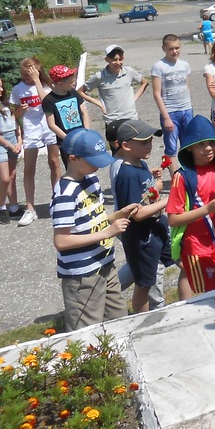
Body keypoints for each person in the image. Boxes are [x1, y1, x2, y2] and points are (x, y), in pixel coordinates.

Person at [51, 127, 139, 331]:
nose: (97, 166)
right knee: (87, 331)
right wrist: (108, 233)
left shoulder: (91, 181)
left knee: (118, 321)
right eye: (93, 161)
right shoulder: (65, 193)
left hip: (105, 263)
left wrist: (118, 215)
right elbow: (62, 241)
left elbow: (93, 222)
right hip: (82, 275)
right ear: (73, 158)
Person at [166, 115, 215, 300]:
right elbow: (173, 219)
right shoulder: (182, 177)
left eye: (212, 143)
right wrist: (207, 209)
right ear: (189, 147)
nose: (208, 148)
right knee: (198, 290)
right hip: (195, 246)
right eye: (201, 144)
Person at [112, 120, 170, 313]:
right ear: (126, 146)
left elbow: (147, 195)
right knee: (144, 284)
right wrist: (169, 201)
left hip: (154, 230)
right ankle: (140, 320)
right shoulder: (127, 174)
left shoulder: (141, 164)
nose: (149, 146)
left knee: (178, 260)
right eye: (143, 142)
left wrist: (157, 183)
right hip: (139, 237)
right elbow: (137, 214)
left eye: (150, 141)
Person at [12, 57, 60, 227]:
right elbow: (14, 116)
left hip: (49, 126)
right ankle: (30, 209)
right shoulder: (18, 90)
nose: (27, 78)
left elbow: (47, 102)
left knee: (54, 162)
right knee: (29, 168)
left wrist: (37, 81)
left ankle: (57, 201)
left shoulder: (48, 86)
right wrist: (19, 110)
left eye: (30, 74)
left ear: (38, 72)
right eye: (24, 75)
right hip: (31, 129)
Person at [78, 44, 149, 147]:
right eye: (114, 60)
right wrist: (98, 103)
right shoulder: (100, 76)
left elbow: (144, 82)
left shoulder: (129, 71)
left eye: (120, 59)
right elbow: (80, 91)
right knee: (117, 151)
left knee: (134, 149)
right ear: (107, 59)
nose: (118, 63)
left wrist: (134, 98)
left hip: (131, 117)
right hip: (112, 120)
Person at [151, 34, 194, 174]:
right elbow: (157, 93)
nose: (174, 51)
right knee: (171, 147)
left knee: (188, 144)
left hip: (186, 109)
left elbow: (187, 87)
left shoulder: (185, 65)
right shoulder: (159, 67)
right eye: (171, 49)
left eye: (177, 48)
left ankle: (188, 173)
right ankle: (175, 176)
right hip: (170, 111)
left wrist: (189, 107)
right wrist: (166, 117)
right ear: (164, 48)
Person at [43, 65, 90, 168]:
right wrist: (68, 138)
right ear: (60, 83)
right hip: (67, 141)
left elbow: (83, 112)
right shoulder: (49, 100)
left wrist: (87, 131)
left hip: (82, 136)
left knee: (87, 165)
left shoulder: (73, 93)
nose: (74, 83)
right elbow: (51, 124)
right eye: (71, 82)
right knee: (73, 168)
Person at [0, 76, 22, 224]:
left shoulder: (6, 104)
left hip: (13, 140)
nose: (1, 90)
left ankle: (14, 207)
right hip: (1, 143)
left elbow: (15, 122)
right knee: (5, 178)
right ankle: (1, 207)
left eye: (1, 87)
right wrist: (9, 144)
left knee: (12, 176)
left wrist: (19, 140)